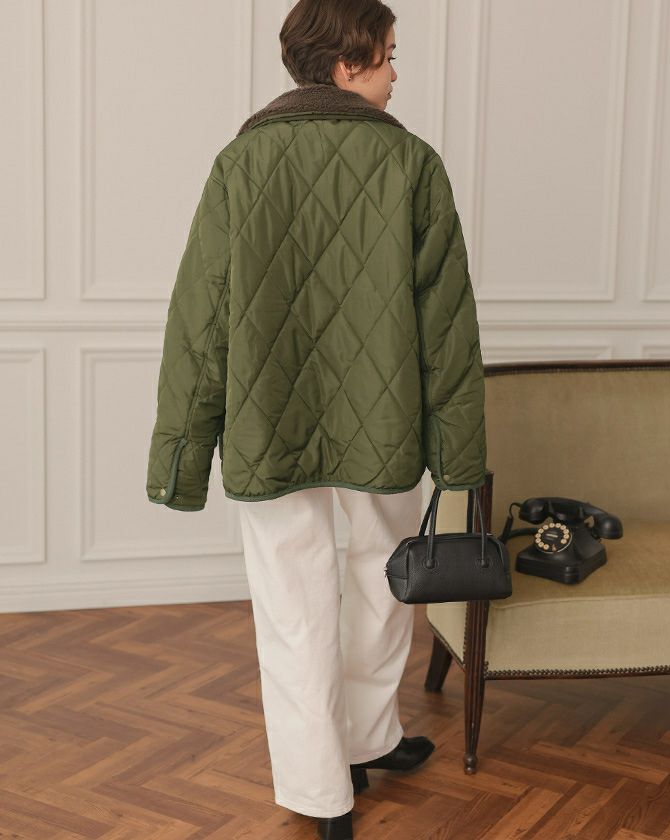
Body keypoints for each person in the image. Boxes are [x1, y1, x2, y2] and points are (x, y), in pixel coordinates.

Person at [145, 0, 486, 836]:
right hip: (388, 419)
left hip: (268, 420)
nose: (396, 73)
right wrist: (459, 454)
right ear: (346, 62)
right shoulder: (412, 163)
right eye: (389, 55)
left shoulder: (241, 162)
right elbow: (446, 325)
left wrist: (183, 454)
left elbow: (199, 318)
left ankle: (329, 782)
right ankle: (360, 743)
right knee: (384, 578)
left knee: (291, 607)